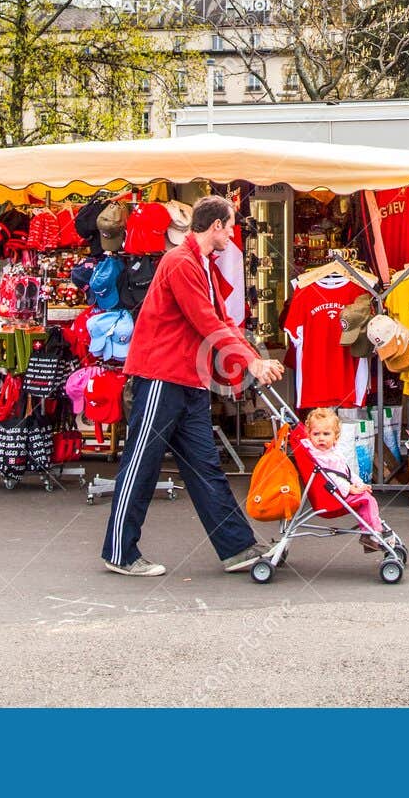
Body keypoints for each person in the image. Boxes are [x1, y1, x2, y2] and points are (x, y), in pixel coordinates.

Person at [102, 195, 284, 576]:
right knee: (141, 463)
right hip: (161, 376)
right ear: (215, 226)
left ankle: (238, 548)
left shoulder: (199, 263)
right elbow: (207, 321)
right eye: (230, 226)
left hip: (188, 378)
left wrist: (251, 356)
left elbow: (221, 322)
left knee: (204, 466)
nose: (232, 234)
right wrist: (250, 360)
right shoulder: (180, 262)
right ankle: (119, 552)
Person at [302, 407, 384, 549]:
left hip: (338, 492)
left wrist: (359, 484)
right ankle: (373, 533)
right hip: (332, 496)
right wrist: (350, 488)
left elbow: (347, 472)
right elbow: (331, 476)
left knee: (366, 497)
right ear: (309, 435)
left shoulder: (332, 452)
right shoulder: (317, 456)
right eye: (316, 434)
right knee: (367, 500)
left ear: (336, 437)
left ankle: (370, 531)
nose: (321, 438)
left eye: (326, 434)